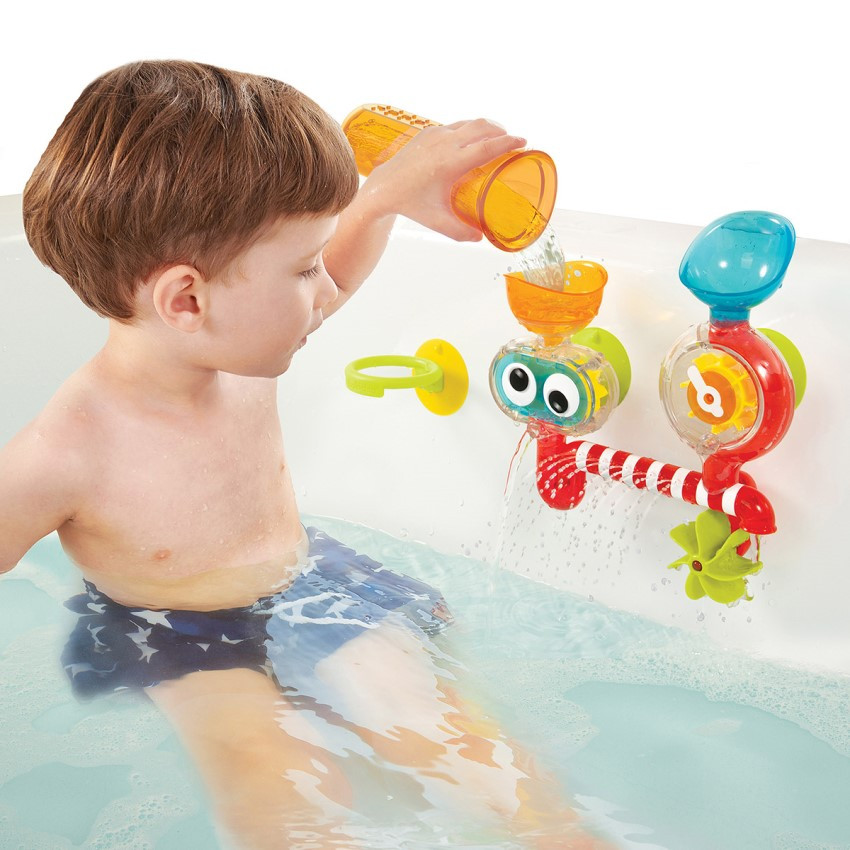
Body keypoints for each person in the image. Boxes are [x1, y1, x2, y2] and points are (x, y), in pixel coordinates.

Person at [0, 61, 604, 848]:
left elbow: (336, 271)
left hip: (311, 584)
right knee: (280, 776)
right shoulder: (65, 454)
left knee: (446, 736)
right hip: (176, 631)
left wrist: (383, 196)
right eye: (303, 268)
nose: (327, 291)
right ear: (187, 299)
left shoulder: (235, 351)